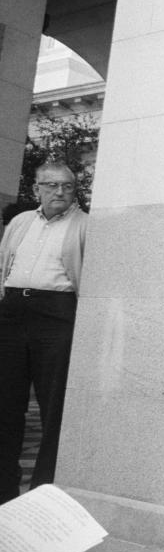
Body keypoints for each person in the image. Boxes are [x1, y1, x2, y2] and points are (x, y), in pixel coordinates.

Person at [0, 162, 88, 504]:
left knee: (53, 407)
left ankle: (41, 496)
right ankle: (4, 490)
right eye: (51, 185)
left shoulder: (83, 225)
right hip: (12, 314)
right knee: (5, 403)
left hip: (57, 315)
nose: (60, 192)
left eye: (67, 186)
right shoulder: (21, 222)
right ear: (37, 188)